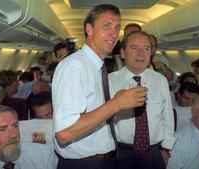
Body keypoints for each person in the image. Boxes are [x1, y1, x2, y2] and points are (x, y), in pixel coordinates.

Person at [52, 4, 147, 169]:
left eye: (117, 28)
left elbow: (95, 116)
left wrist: (116, 103)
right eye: (107, 26)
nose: (114, 34)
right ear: (89, 29)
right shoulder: (75, 66)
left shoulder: (98, 67)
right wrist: (116, 104)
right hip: (84, 164)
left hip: (105, 160)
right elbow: (65, 133)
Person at [109, 31, 174, 169]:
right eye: (134, 48)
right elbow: (104, 122)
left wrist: (166, 150)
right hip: (120, 153)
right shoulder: (109, 81)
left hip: (154, 153)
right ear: (122, 53)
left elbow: (167, 117)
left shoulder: (160, 80)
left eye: (146, 48)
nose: (141, 53)